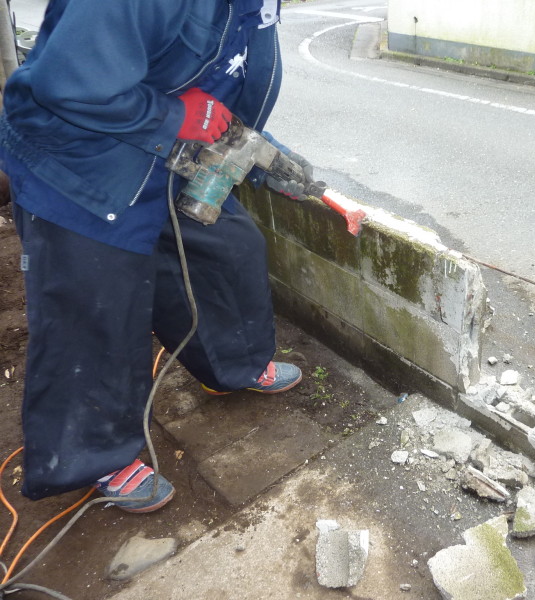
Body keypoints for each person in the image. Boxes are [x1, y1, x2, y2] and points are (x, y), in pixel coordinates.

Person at [0, 0, 310, 513]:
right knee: (97, 313)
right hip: (81, 167)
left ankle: (233, 365)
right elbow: (65, 83)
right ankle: (94, 456)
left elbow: (221, 85)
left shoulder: (257, 6)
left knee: (229, 248)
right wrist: (173, 116)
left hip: (166, 160)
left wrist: (262, 156)